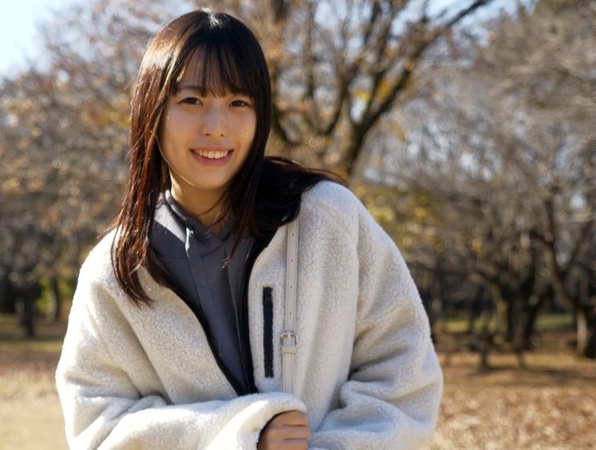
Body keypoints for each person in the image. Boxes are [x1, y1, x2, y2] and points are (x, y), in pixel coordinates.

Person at [56, 9, 443, 450]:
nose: (215, 127)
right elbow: (97, 427)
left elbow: (403, 371)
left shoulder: (329, 220)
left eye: (238, 103)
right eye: (191, 101)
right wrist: (241, 434)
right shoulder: (116, 272)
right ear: (152, 111)